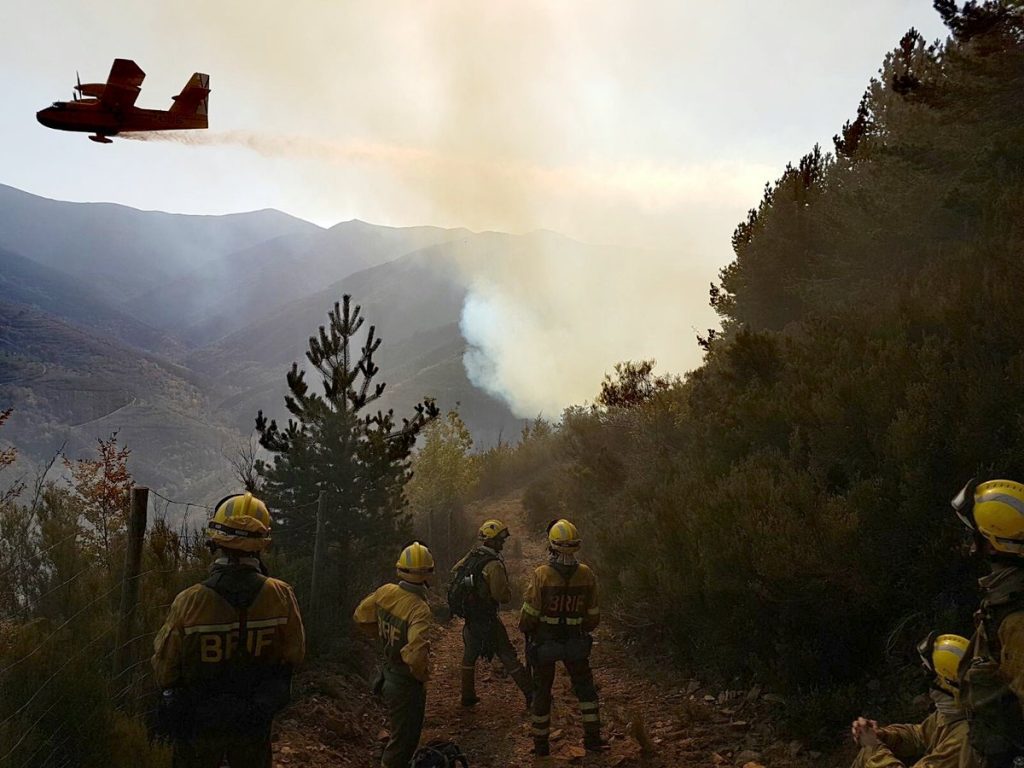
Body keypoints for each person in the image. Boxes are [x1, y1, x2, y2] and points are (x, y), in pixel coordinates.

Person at [152, 492, 306, 768]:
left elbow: (166, 670)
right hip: (254, 722)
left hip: (200, 723)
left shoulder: (190, 600)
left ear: (216, 540)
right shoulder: (281, 595)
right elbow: (294, 654)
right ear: (262, 543)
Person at [951, 479, 1024, 768]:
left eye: (975, 536)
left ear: (994, 543)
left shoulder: (1015, 620)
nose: (971, 545)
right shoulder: (1003, 602)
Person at [520, 519, 606, 756]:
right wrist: (578, 627)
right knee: (585, 690)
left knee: (542, 692)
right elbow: (593, 616)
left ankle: (541, 746)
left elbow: (530, 614)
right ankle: (593, 739)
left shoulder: (542, 575)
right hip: (576, 643)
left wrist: (527, 629)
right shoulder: (586, 574)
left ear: (552, 545)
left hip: (545, 644)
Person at [354, 541, 435, 768]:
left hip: (386, 675)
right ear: (429, 572)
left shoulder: (386, 591)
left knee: (398, 733)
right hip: (405, 684)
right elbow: (415, 656)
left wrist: (381, 636)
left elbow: (360, 616)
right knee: (403, 744)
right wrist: (422, 676)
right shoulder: (419, 609)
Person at [849, 633, 975, 768]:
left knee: (871, 754)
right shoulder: (959, 710)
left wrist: (873, 746)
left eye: (929, 674)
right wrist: (883, 735)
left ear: (945, 683)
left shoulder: (966, 739)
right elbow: (919, 736)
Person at [450, 519, 533, 708]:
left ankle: (467, 696)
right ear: (492, 541)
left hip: (471, 619)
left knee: (469, 656)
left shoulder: (472, 556)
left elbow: (455, 571)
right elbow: (501, 596)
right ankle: (531, 694)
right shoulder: (493, 565)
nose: (502, 543)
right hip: (487, 619)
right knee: (507, 654)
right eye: (500, 540)